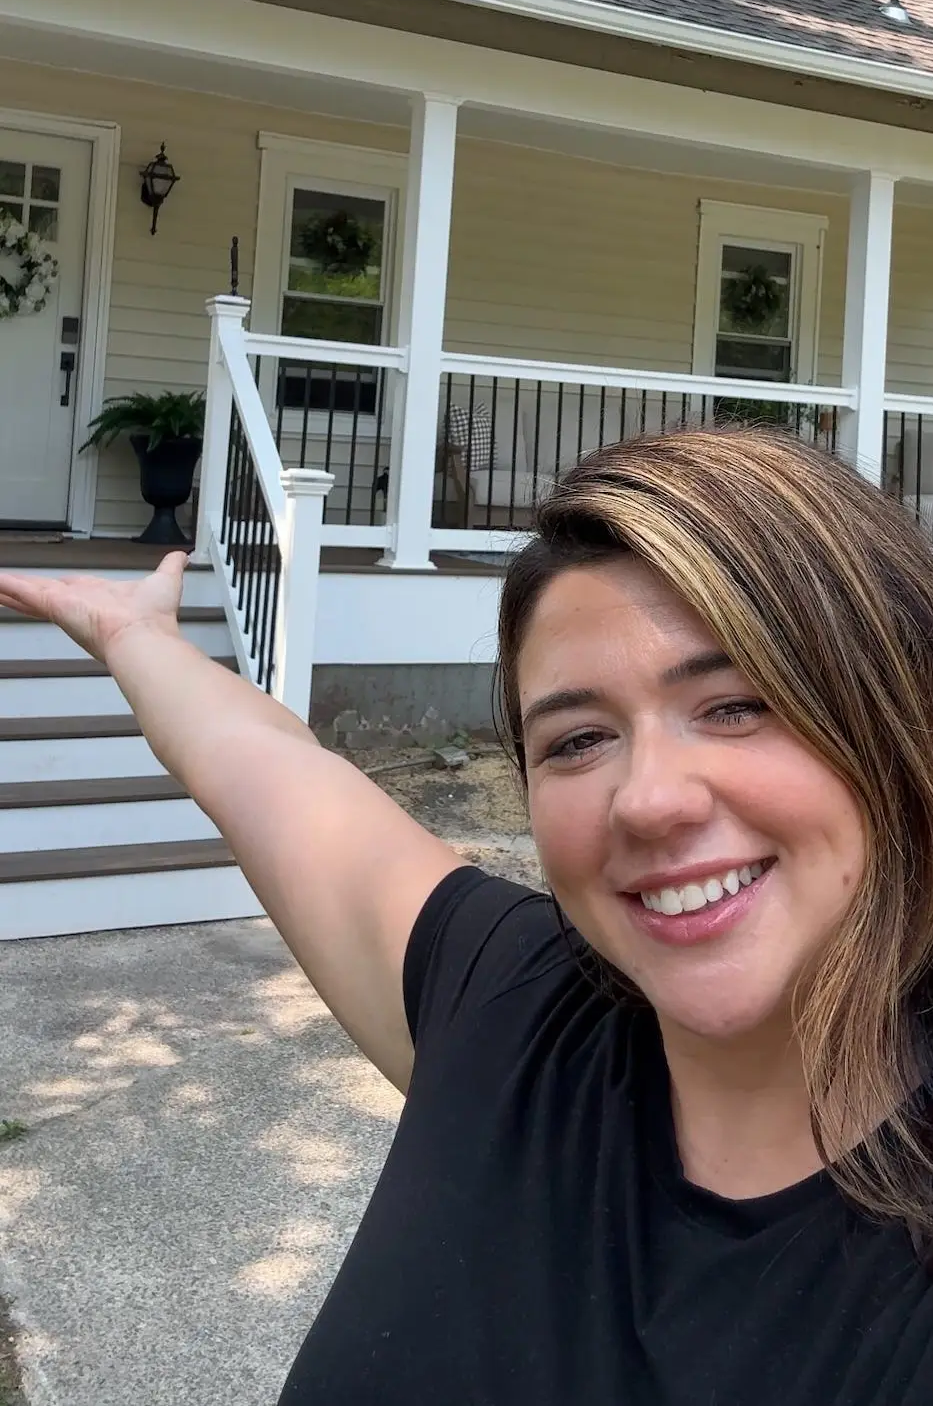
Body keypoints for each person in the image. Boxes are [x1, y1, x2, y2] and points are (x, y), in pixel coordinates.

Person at [3, 426, 933, 1404]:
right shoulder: (506, 1005)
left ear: (894, 708)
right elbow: (261, 766)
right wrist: (134, 633)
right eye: (578, 738)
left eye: (736, 705)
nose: (650, 799)